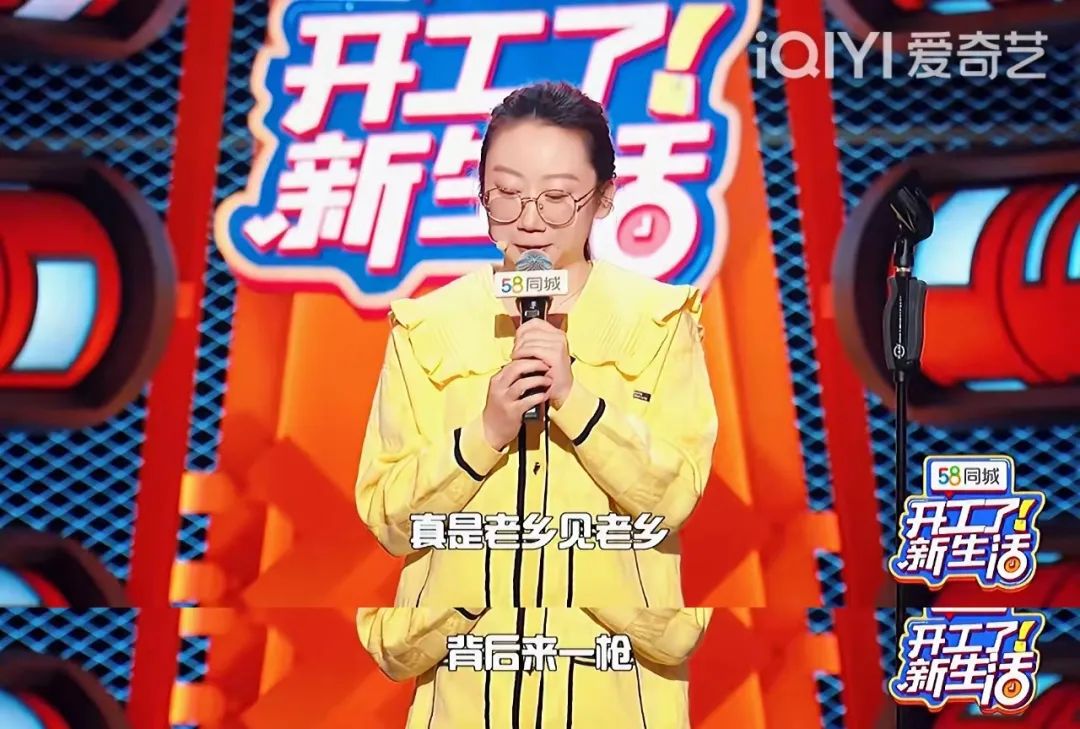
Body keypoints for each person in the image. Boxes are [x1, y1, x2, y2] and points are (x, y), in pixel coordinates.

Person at [355, 81, 717, 727]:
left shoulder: (660, 320)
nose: (529, 219)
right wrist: (484, 434)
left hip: (614, 691)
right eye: (507, 192)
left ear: (604, 196)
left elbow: (674, 496)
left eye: (556, 196)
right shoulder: (427, 327)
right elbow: (387, 517)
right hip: (465, 692)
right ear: (480, 193)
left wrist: (576, 401)